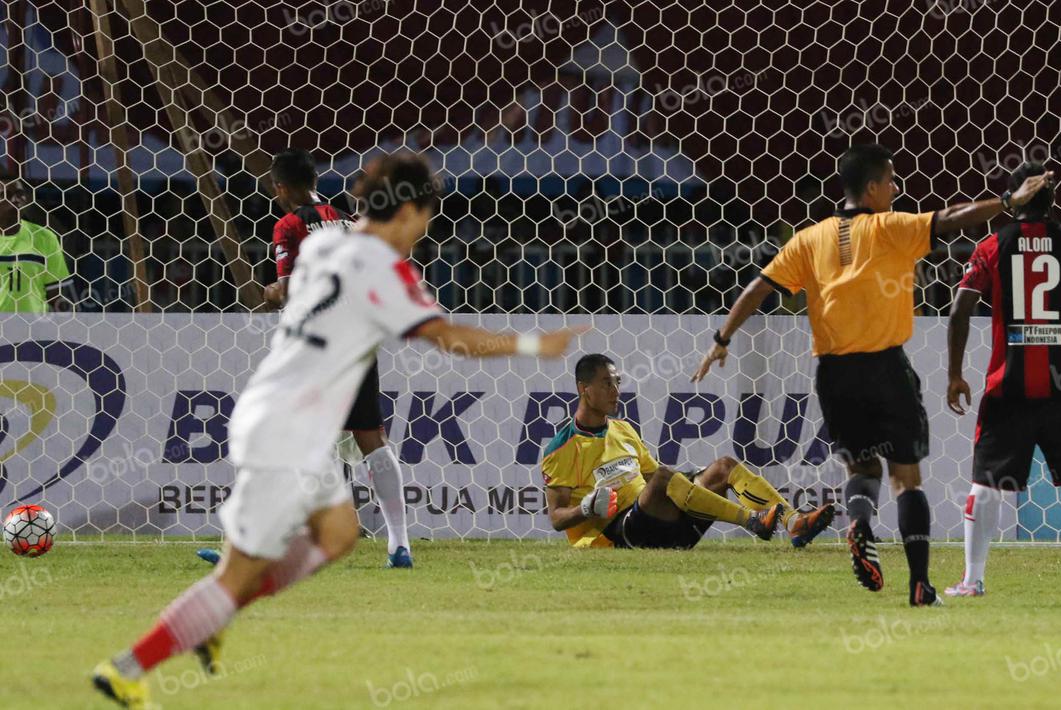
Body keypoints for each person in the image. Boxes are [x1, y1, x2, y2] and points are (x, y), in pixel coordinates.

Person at [91, 152, 584, 708]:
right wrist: (531, 345)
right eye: (424, 217)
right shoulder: (380, 266)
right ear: (407, 210)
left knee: (339, 534)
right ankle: (128, 667)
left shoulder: (324, 243)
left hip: (283, 410)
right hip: (286, 427)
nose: (423, 231)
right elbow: (447, 338)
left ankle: (218, 612)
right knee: (234, 578)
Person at [692, 143, 1052, 606]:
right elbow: (953, 217)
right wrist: (1008, 202)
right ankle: (920, 586)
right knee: (906, 479)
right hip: (886, 369)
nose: (896, 189)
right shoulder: (892, 228)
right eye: (892, 181)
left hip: (836, 375)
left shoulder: (809, 238)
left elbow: (759, 286)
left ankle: (860, 524)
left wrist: (722, 339)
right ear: (873, 187)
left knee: (862, 468)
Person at [944, 161, 1061, 598]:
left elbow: (959, 309)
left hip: (1009, 389)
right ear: (1053, 202)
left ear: (1015, 201)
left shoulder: (990, 246)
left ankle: (973, 581)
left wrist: (954, 374)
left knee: (986, 484)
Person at [257, 148, 416, 568]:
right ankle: (399, 544)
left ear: (280, 187)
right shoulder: (348, 219)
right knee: (370, 440)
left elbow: (289, 292)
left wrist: (269, 293)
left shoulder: (289, 226)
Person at [544, 353, 835, 549]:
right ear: (584, 389)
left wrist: (687, 481)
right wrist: (586, 507)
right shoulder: (562, 448)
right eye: (606, 383)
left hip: (668, 528)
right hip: (620, 535)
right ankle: (751, 520)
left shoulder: (623, 429)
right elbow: (557, 518)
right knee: (663, 477)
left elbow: (654, 479)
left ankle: (794, 522)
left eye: (617, 382)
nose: (615, 391)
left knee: (722, 467)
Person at [0, 176, 72, 312]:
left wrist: (65, 325)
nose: (15, 200)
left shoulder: (45, 237)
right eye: (5, 195)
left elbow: (56, 295)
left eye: (19, 195)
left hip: (33, 328)